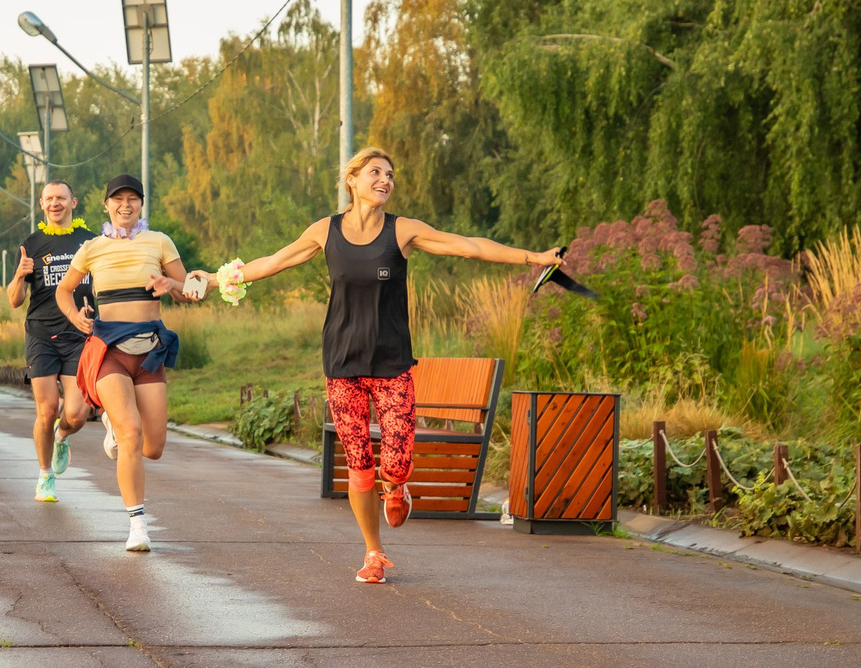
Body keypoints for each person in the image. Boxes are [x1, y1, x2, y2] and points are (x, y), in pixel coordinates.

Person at [218, 147, 562, 584]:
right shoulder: (326, 231)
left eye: (391, 175)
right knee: (359, 462)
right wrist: (217, 279)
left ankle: (397, 486)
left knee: (395, 461)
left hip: (392, 364)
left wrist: (533, 257)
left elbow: (470, 247)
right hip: (342, 362)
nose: (385, 180)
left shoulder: (403, 231)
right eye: (376, 172)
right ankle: (373, 552)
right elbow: (274, 261)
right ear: (353, 180)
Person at [58, 174, 206, 554]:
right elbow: (64, 289)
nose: (126, 205)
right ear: (106, 206)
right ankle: (137, 524)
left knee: (153, 446)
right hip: (108, 349)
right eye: (118, 199)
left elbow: (189, 292)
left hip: (150, 349)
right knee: (131, 435)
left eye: (133, 199)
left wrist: (171, 287)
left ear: (141, 204)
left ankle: (112, 424)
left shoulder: (159, 242)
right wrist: (76, 316)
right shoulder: (91, 248)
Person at [6, 180, 96, 502]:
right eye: (49, 199)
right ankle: (45, 476)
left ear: (74, 202)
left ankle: (62, 436)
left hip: (79, 335)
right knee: (47, 409)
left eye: (61, 198)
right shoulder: (31, 243)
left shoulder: (91, 241)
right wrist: (19, 275)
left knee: (76, 413)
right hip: (41, 334)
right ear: (41, 205)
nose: (54, 203)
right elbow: (15, 301)